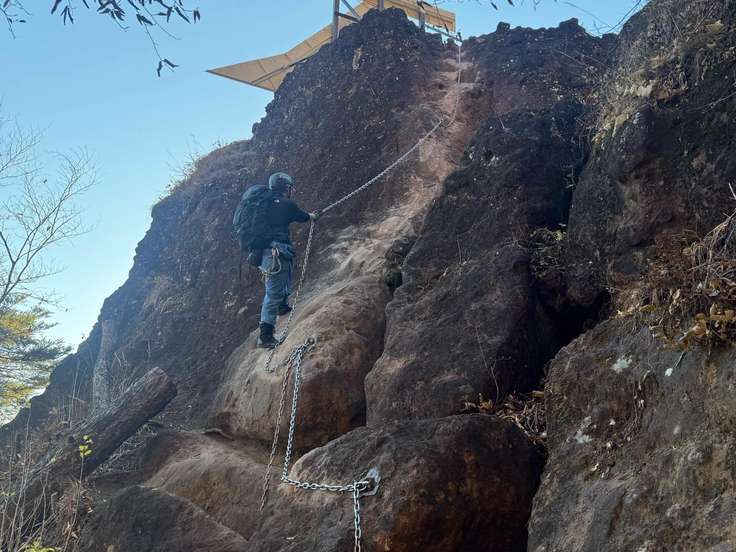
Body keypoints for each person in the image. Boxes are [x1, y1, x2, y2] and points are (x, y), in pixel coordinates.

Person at [258, 172, 318, 349]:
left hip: (266, 252)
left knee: (284, 275)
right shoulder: (285, 204)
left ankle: (282, 306)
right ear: (285, 187)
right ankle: (265, 335)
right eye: (290, 187)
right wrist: (313, 216)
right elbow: (302, 216)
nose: (291, 190)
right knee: (273, 291)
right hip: (275, 250)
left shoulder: (265, 204)